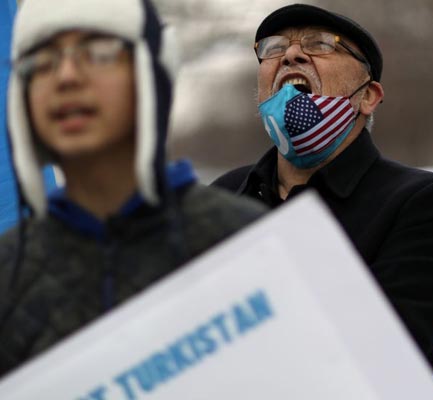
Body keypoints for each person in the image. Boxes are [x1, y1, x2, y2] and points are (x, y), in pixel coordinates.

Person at [0, 0, 265, 377]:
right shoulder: (10, 274)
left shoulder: (245, 241)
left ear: (151, 72)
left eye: (99, 52)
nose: (67, 76)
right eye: (42, 61)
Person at [213, 3, 433, 371]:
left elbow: (389, 350)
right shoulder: (221, 198)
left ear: (368, 97)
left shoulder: (426, 204)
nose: (291, 54)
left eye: (320, 44)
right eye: (274, 47)